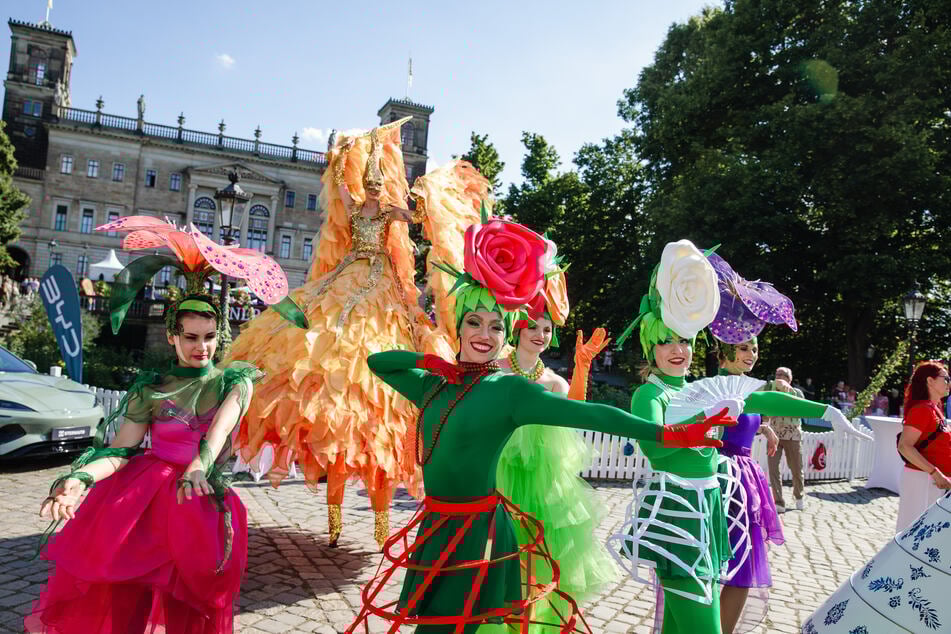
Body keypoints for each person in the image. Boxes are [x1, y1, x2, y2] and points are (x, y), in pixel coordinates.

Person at [346, 220, 734, 634]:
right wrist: (432, 362)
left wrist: (669, 434)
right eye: (474, 322)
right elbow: (378, 362)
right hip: (437, 526)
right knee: (434, 622)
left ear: (506, 335)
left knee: (454, 626)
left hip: (481, 532)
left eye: (497, 326)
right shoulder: (432, 386)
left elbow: (592, 416)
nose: (485, 334)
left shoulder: (510, 391)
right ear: (457, 327)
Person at [25, 213, 303, 634]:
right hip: (139, 502)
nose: (202, 346)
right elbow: (121, 451)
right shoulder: (151, 388)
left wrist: (197, 466)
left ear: (219, 335)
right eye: (191, 337)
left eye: (209, 336)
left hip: (197, 502)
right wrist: (81, 477)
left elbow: (219, 432)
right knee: (126, 600)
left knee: (188, 609)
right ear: (172, 337)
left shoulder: (235, 380)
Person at [226, 119, 434, 549]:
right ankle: (337, 520)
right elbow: (340, 184)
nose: (374, 189)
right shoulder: (356, 208)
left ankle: (379, 523)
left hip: (380, 282)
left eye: (380, 184)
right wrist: (342, 151)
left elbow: (417, 217)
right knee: (324, 336)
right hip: (349, 275)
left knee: (372, 349)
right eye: (370, 182)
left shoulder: (392, 212)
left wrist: (418, 198)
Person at [705, 252, 872, 634]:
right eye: (745, 347)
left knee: (742, 567)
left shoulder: (748, 387)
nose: (751, 354)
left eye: (755, 349)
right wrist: (825, 410)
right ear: (724, 349)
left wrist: (764, 429)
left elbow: (757, 408)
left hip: (745, 482)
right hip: (718, 481)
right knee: (719, 564)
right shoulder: (714, 389)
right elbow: (736, 415)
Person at [481, 254, 621, 633]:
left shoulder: (554, 383)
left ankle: (532, 624)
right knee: (500, 558)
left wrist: (582, 365)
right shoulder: (495, 370)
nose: (540, 335)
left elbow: (575, 411)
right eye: (533, 327)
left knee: (540, 560)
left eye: (546, 329)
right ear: (517, 330)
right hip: (500, 480)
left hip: (545, 486)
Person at [896, 360, 951, 532]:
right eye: (946, 378)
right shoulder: (922, 409)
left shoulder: (935, 409)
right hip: (922, 480)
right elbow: (904, 446)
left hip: (933, 482)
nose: (949, 382)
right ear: (930, 381)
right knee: (912, 532)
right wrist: (935, 473)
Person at [765, 367, 806, 513]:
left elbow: (802, 407)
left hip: (792, 436)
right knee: (773, 469)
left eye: (783, 375)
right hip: (774, 435)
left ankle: (799, 496)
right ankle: (779, 502)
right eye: (777, 374)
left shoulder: (797, 392)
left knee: (796, 468)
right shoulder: (771, 392)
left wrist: (788, 390)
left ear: (790, 378)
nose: (780, 377)